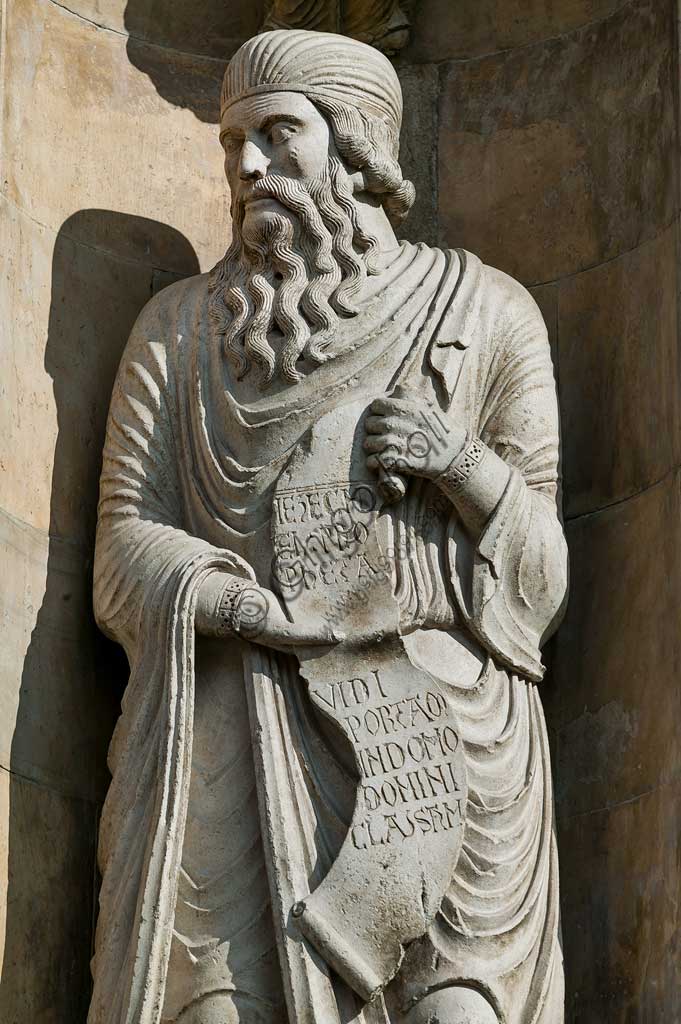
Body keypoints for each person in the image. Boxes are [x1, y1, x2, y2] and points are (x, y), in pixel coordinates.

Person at [89, 29, 568, 1024]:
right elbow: (121, 550)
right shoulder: (175, 336)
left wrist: (461, 462)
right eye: (232, 146)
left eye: (276, 134)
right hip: (237, 712)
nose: (247, 167)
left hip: (438, 740)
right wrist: (229, 598)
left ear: (355, 147)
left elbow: (544, 578)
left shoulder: (486, 314)